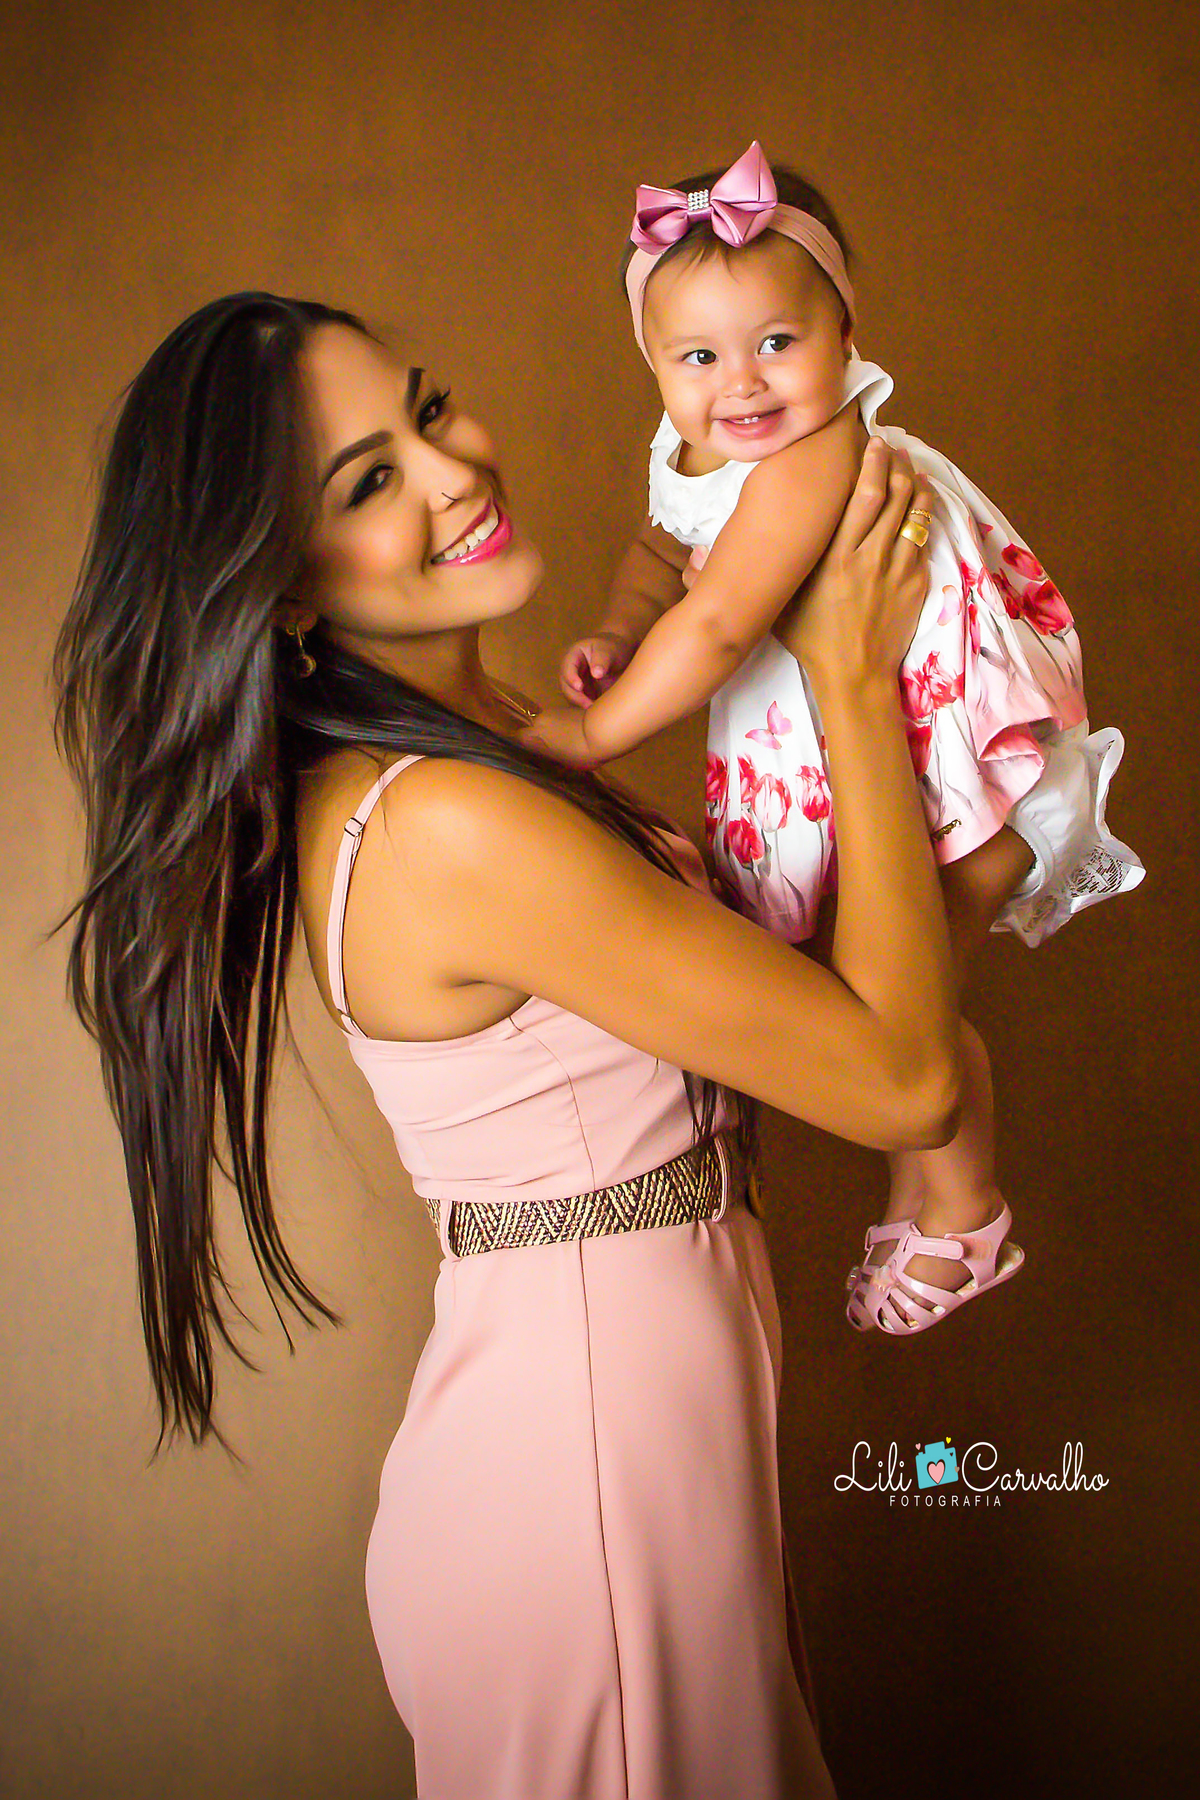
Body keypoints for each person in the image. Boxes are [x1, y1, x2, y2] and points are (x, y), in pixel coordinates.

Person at [51, 290, 959, 1800]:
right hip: (582, 1499)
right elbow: (905, 1084)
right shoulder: (445, 824)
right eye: (367, 482)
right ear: (280, 587)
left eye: (429, 406)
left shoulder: (497, 748)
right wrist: (851, 671)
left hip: (629, 1459)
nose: (453, 471)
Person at [528, 141, 1144, 1336]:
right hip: (874, 757)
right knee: (875, 994)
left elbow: (715, 625)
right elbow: (668, 554)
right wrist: (617, 624)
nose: (743, 385)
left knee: (899, 999)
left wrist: (592, 732)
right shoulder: (710, 445)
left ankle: (961, 1211)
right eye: (699, 357)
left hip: (967, 758)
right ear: (653, 362)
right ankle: (929, 1196)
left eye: (779, 343)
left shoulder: (816, 454)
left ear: (848, 329)